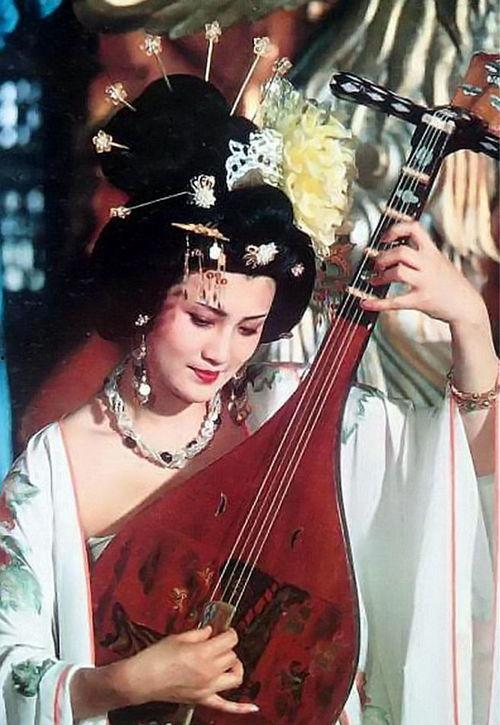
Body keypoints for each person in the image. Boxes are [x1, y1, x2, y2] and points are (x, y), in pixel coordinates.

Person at [0, 71, 497, 725]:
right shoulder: (56, 468)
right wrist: (121, 682)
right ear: (146, 298)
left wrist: (470, 323)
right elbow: (8, 666)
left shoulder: (286, 405)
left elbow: (464, 466)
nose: (221, 352)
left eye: (248, 328)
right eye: (202, 318)